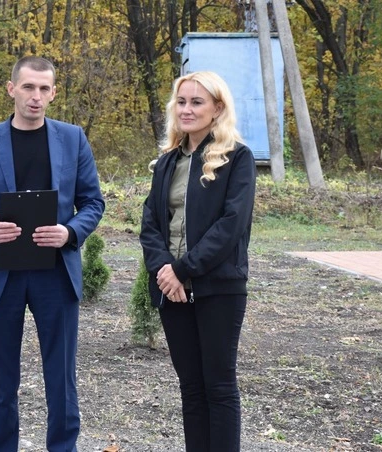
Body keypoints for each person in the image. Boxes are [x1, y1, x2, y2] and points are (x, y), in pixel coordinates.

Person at [0, 56, 105, 452]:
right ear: (11, 89)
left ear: (53, 93)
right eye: (28, 87)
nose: (36, 96)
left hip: (56, 274)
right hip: (3, 276)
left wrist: (70, 232)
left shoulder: (73, 138)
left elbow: (93, 202)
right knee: (2, 382)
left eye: (44, 88)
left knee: (62, 380)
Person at [139, 71, 256, 452]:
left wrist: (182, 269)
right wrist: (163, 270)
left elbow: (231, 225)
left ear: (217, 108)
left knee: (218, 387)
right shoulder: (167, 161)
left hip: (218, 287)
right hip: (171, 289)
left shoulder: (237, 158)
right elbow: (150, 223)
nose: (187, 109)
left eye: (197, 102)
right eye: (181, 102)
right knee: (190, 387)